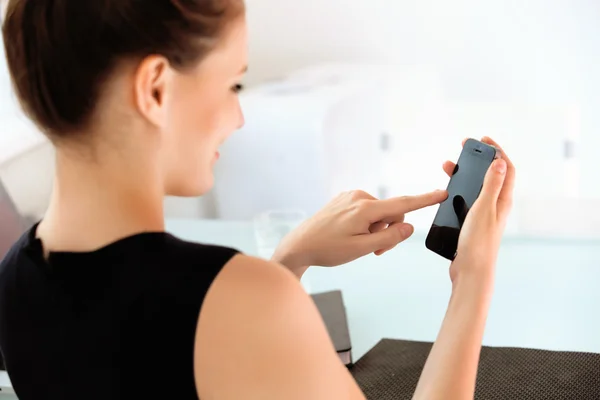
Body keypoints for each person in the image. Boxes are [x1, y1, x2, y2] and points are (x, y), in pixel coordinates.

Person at [0, 0, 515, 399]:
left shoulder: (12, 285)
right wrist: (473, 276)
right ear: (155, 89)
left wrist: (290, 259)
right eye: (233, 84)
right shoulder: (246, 303)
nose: (238, 118)